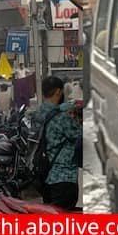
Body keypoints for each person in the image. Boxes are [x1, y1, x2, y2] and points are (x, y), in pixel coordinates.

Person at [34, 76, 82, 211]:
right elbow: (81, 136)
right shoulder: (62, 117)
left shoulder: (37, 114)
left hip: (45, 175)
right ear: (58, 92)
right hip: (64, 177)